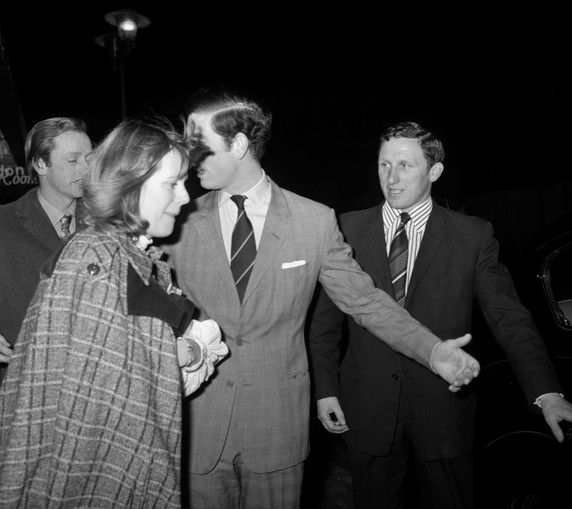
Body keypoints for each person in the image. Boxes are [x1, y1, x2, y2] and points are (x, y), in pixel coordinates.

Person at [162, 89, 480, 509]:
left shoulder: (313, 221)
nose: (186, 154)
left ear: (237, 144)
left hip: (276, 429)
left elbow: (365, 300)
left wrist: (433, 350)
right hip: (198, 424)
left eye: (196, 141)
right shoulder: (174, 219)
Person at [307, 121, 572, 509]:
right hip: (367, 408)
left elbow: (509, 318)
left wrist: (546, 391)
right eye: (385, 165)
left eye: (405, 166)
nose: (391, 178)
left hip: (444, 411)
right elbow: (324, 326)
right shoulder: (345, 229)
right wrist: (326, 390)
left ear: (434, 171)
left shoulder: (472, 236)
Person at [0, 117, 228, 508]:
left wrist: (183, 352)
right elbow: (94, 410)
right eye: (172, 183)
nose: (186, 197)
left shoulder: (125, 253)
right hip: (94, 478)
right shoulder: (98, 258)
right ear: (130, 183)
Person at [0, 117, 92, 384]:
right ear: (41, 164)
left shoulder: (109, 222)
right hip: (22, 386)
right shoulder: (4, 224)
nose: (86, 169)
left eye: (89, 158)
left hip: (91, 386)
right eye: (73, 160)